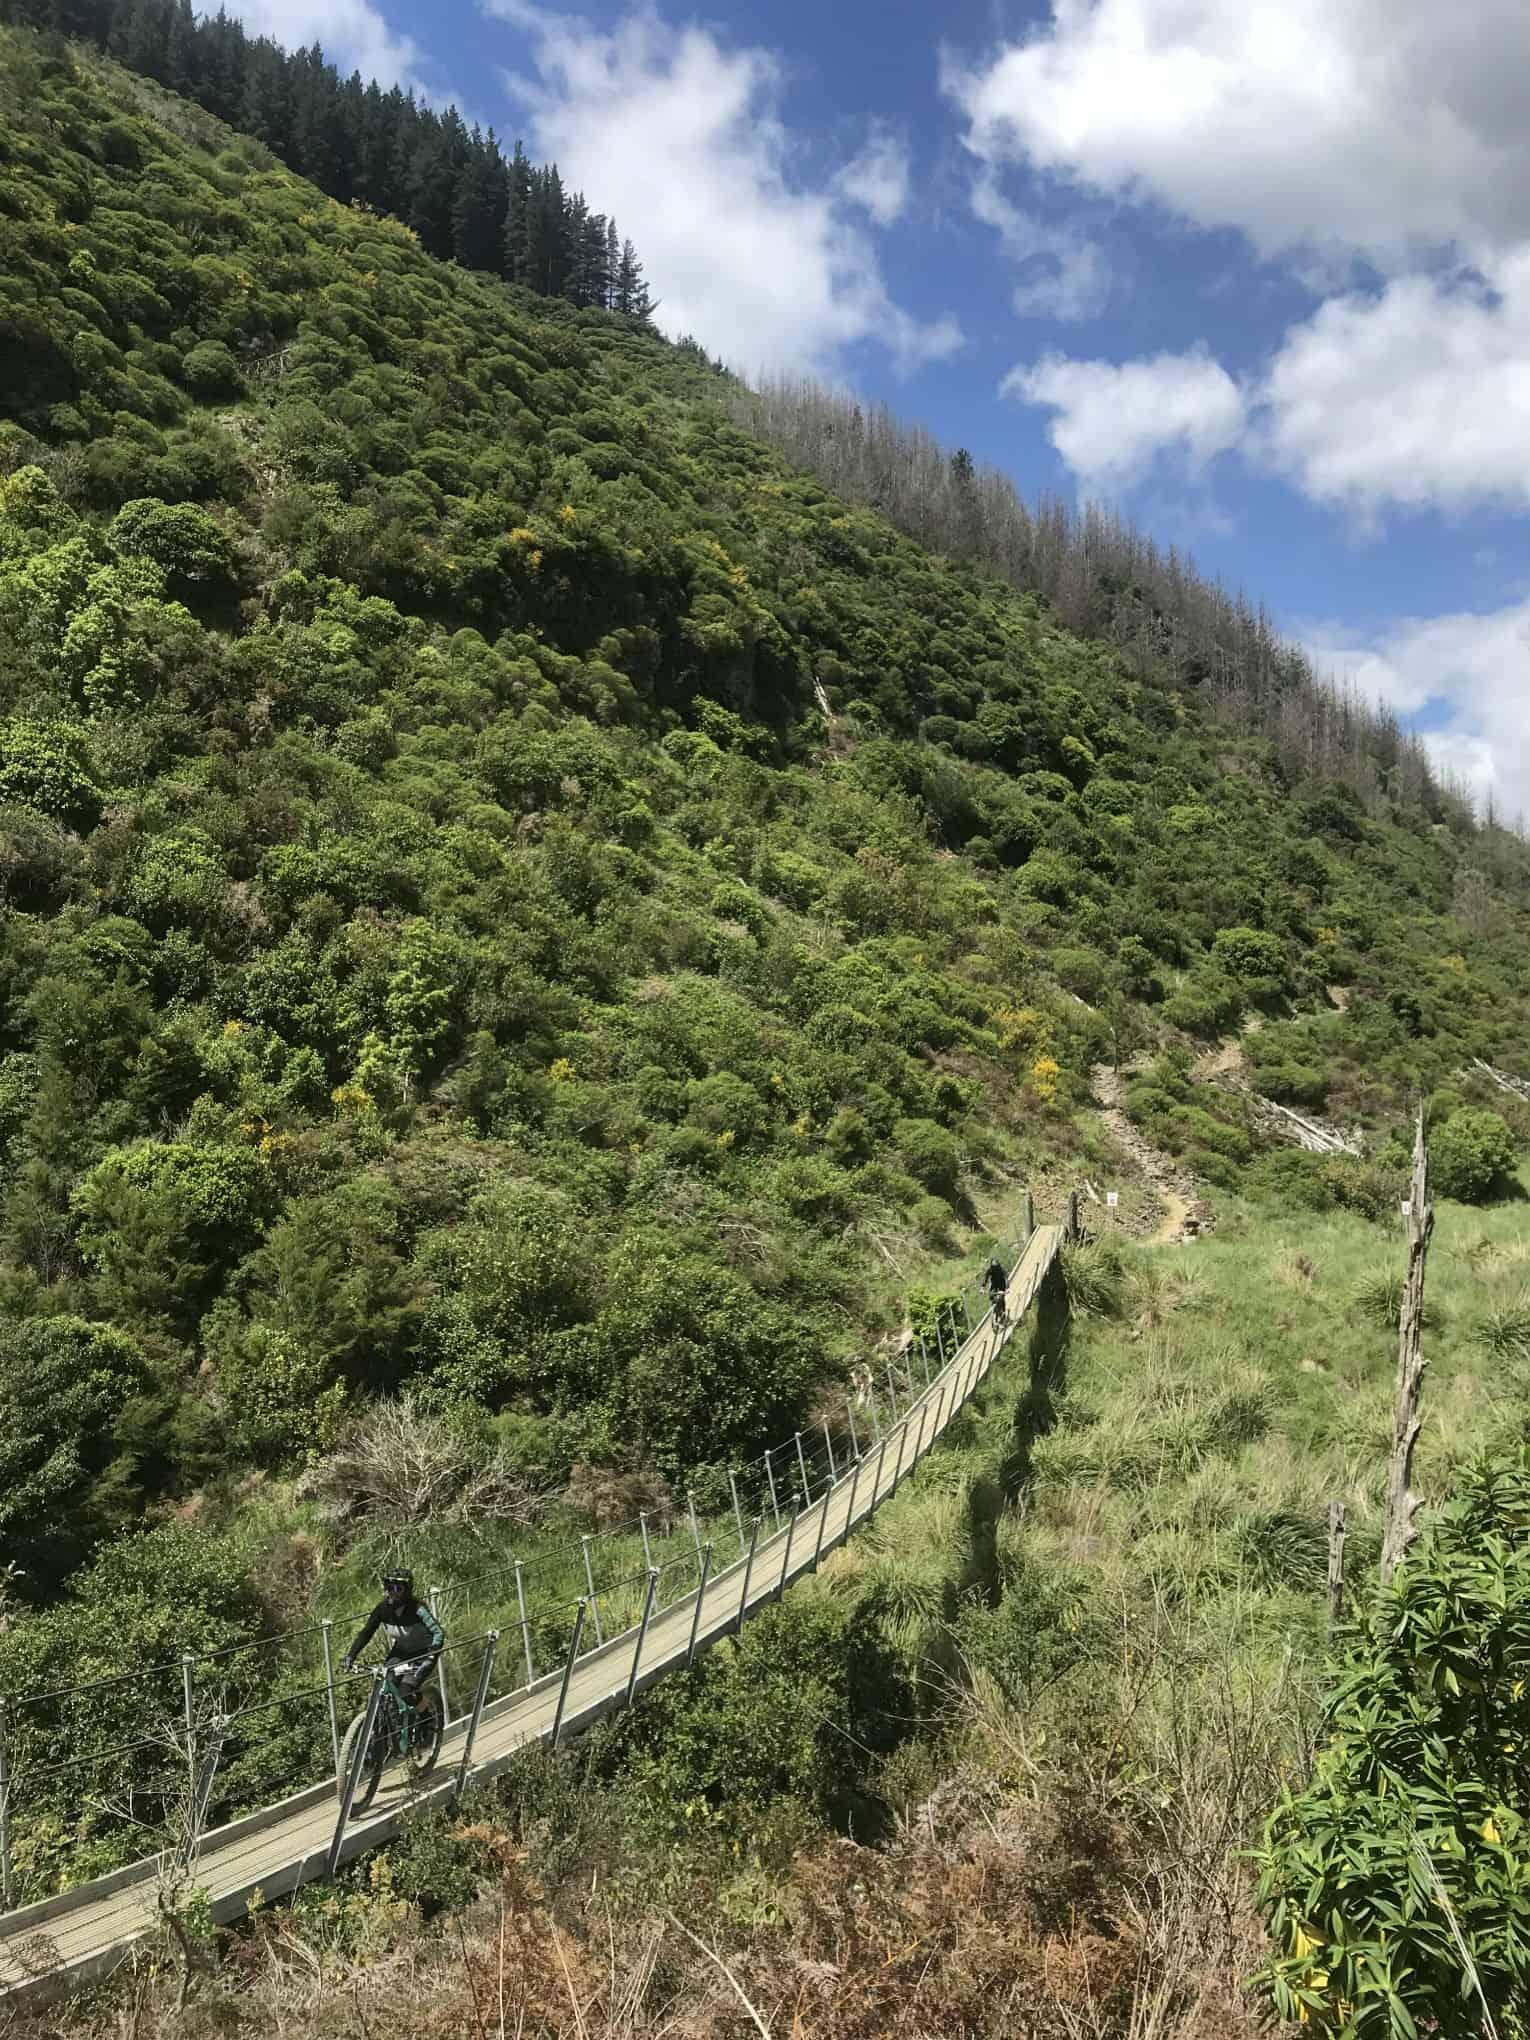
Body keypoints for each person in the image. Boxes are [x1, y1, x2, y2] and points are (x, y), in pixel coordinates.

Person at [341, 1569, 444, 1703]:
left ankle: (427, 1718)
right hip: (401, 1652)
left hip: (423, 1654)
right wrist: (351, 1655)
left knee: (405, 1692)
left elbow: (438, 1632)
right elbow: (366, 1633)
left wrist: (430, 1657)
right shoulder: (382, 1609)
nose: (392, 1592)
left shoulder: (417, 1609)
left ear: (407, 1591)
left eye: (398, 1588)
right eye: (389, 1588)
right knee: (384, 1689)